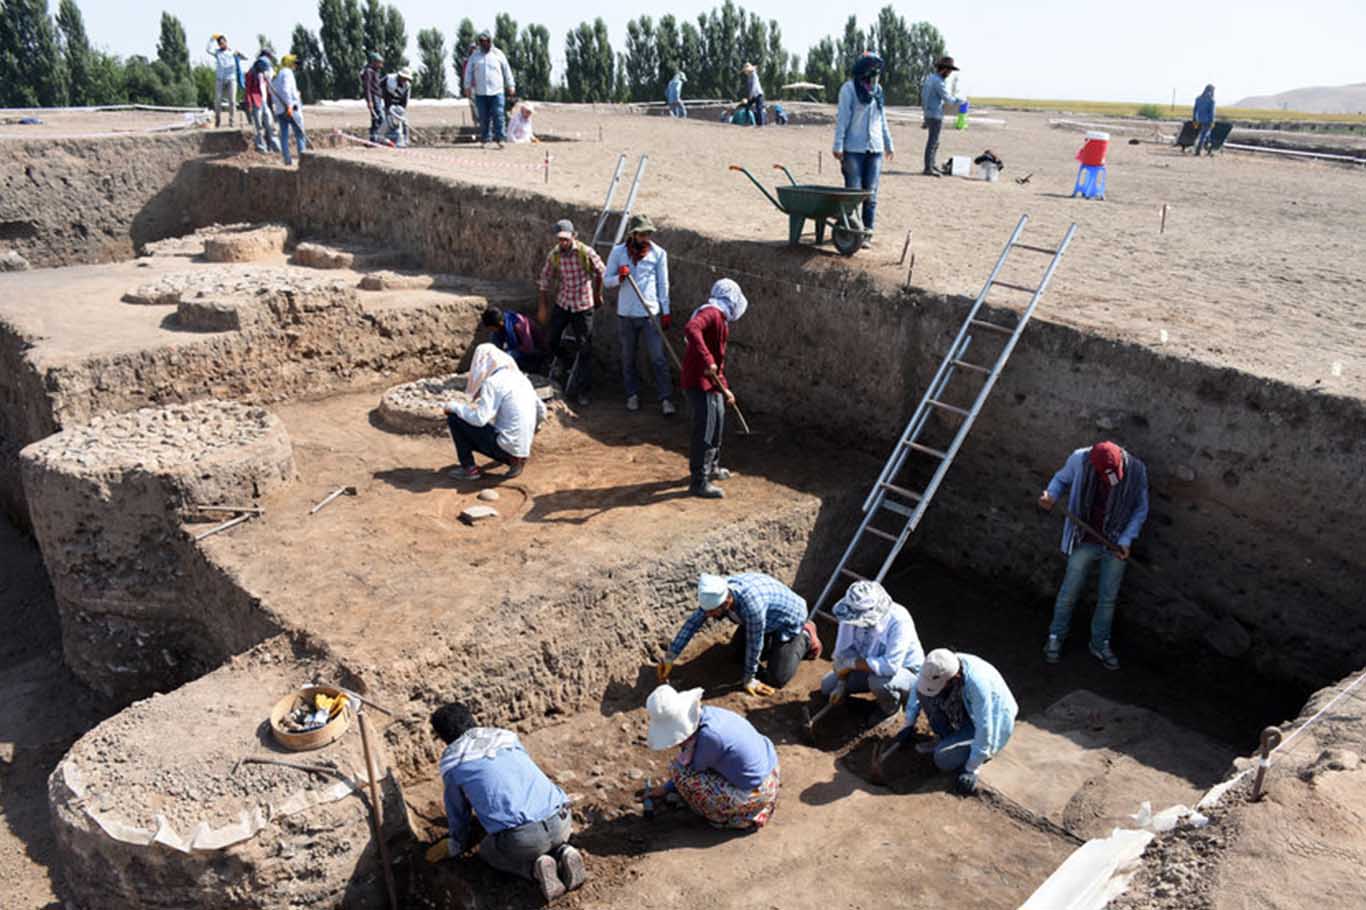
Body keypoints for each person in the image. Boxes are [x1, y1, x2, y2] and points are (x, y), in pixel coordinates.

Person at [425, 704, 586, 902]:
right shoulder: (506, 736)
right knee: (542, 834)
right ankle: (564, 851)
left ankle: (534, 870)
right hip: (562, 820)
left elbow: (458, 812)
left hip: (523, 840)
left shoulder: (452, 761)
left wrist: (455, 845)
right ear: (471, 719)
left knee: (487, 850)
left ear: (443, 737)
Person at [1038, 440, 1150, 670]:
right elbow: (1061, 479)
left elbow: (1141, 508)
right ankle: (1055, 637)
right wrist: (1051, 494)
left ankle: (1100, 643)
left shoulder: (1137, 470)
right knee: (1069, 591)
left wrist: (1126, 540)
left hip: (1116, 543)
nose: (1112, 478)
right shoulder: (1080, 459)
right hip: (1085, 538)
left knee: (1107, 598)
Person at [642, 685, 780, 830]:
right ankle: (744, 809)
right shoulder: (709, 714)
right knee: (686, 768)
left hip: (757, 792)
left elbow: (695, 768)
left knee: (680, 773)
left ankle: (729, 819)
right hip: (770, 771)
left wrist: (668, 787)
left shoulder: (709, 738)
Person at [659, 572, 820, 695]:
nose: (707, 616)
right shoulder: (716, 593)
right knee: (735, 656)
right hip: (764, 619)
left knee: (776, 679)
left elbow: (754, 642)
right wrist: (670, 657)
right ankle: (772, 644)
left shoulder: (752, 606)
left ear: (727, 602)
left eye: (712, 612)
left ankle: (806, 634)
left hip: (788, 623)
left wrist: (749, 679)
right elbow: (692, 623)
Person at [898, 648, 1017, 795]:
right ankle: (948, 739)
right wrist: (908, 724)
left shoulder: (977, 684)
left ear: (952, 679)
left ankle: (961, 748)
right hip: (967, 711)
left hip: (995, 722)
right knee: (927, 695)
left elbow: (985, 728)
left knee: (943, 758)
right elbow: (919, 688)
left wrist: (972, 769)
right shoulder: (940, 665)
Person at [680, 278, 747, 498]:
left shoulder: (721, 318)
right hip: (700, 383)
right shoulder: (711, 313)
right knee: (706, 429)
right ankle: (699, 480)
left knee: (717, 420)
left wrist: (725, 388)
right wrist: (707, 360)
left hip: (711, 382)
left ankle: (713, 466)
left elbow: (718, 361)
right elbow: (692, 328)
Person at [604, 215, 675, 416]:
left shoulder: (658, 254)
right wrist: (621, 277)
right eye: (643, 234)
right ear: (633, 234)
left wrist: (666, 311)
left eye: (648, 234)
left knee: (658, 358)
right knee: (628, 357)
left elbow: (663, 284)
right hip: (626, 314)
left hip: (649, 314)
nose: (646, 238)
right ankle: (632, 394)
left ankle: (666, 398)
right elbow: (606, 280)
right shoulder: (618, 253)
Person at [443, 344, 546, 480]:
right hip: (523, 451)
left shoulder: (492, 382)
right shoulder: (522, 379)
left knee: (455, 418)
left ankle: (469, 469)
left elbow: (480, 419)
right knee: (501, 431)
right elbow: (542, 411)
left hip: (505, 450)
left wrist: (454, 407)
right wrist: (531, 431)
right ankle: (516, 461)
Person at [820, 580, 924, 714]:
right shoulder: (849, 614)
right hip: (867, 666)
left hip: (904, 673)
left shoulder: (898, 620)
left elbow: (890, 666)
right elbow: (844, 653)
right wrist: (841, 683)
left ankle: (890, 709)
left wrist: (851, 664)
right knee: (827, 686)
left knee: (879, 683)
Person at [537, 219, 605, 406]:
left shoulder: (585, 252)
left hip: (583, 304)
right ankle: (565, 360)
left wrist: (598, 294)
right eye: (560, 239)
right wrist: (542, 305)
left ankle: (583, 391)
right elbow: (544, 279)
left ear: (573, 236)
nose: (563, 243)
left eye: (566, 239)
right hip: (564, 302)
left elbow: (601, 271)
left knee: (585, 347)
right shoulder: (555, 255)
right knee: (551, 339)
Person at [833, 52, 894, 247]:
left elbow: (881, 119)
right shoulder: (849, 89)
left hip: (874, 148)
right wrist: (838, 145)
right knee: (853, 192)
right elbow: (843, 118)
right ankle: (851, 230)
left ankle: (867, 232)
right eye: (872, 72)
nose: (875, 78)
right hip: (853, 149)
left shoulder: (878, 90)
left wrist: (888, 142)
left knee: (871, 193)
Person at [463, 30, 515, 148]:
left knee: (498, 114)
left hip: (497, 91)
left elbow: (507, 70)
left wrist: (511, 85)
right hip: (481, 92)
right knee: (483, 116)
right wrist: (467, 86)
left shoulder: (498, 54)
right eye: (482, 42)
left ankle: (500, 138)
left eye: (486, 41)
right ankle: (486, 139)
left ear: (490, 41)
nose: (484, 44)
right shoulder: (474, 56)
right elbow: (468, 72)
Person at [920, 56, 965, 177]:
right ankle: (928, 168)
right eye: (949, 70)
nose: (950, 73)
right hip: (935, 115)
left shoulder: (930, 79)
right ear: (944, 69)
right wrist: (961, 101)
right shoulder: (939, 82)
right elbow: (948, 99)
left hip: (929, 114)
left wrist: (925, 115)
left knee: (935, 141)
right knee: (933, 142)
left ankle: (932, 164)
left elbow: (924, 98)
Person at [481, 306, 543, 373]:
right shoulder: (501, 323)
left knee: (507, 356)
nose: (491, 330)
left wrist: (506, 354)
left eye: (491, 328)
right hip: (518, 348)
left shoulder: (519, 324)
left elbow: (528, 347)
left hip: (534, 351)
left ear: (499, 323)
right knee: (494, 340)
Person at [271, 55, 306, 167]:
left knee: (284, 135)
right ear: (289, 63)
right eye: (294, 63)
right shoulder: (287, 72)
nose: (295, 66)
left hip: (280, 110)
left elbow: (273, 93)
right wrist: (290, 105)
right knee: (300, 134)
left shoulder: (277, 74)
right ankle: (303, 160)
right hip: (291, 109)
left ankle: (287, 160)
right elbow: (286, 90)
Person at [205, 34, 246, 128]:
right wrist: (211, 39)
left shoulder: (232, 52)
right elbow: (207, 50)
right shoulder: (217, 53)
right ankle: (218, 120)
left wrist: (239, 54)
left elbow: (245, 58)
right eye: (220, 43)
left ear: (226, 42)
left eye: (223, 43)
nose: (222, 45)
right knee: (217, 100)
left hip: (231, 79)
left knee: (232, 101)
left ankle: (232, 121)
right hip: (220, 79)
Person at [245, 51, 279, 154]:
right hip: (256, 101)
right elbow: (248, 89)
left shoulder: (265, 73)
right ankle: (261, 147)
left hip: (264, 102)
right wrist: (249, 103)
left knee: (270, 124)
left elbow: (269, 86)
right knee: (258, 126)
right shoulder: (252, 73)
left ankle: (275, 147)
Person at [381, 68, 413, 147]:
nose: (405, 80)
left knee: (403, 122)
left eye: (406, 79)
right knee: (387, 123)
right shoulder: (389, 78)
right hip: (387, 106)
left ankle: (405, 140)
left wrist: (401, 112)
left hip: (398, 107)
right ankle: (384, 139)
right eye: (403, 78)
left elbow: (405, 100)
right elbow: (378, 87)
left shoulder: (407, 86)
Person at [361, 51, 385, 143]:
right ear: (374, 62)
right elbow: (367, 87)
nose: (381, 65)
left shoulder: (375, 72)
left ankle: (376, 139)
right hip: (374, 97)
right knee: (378, 117)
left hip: (377, 97)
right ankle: (374, 139)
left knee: (378, 118)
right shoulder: (368, 72)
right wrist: (369, 101)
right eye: (379, 62)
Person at [1192, 85, 1217, 156]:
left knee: (1207, 135)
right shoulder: (1211, 100)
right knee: (1204, 135)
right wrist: (1212, 121)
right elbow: (1212, 112)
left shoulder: (1198, 98)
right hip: (1208, 120)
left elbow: (1195, 110)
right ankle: (1198, 151)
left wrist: (1194, 119)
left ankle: (1209, 150)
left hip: (1200, 119)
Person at [740, 62, 765, 127]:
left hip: (758, 94)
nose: (745, 72)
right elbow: (749, 87)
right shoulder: (749, 77)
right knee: (747, 107)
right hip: (753, 95)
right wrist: (749, 95)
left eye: (746, 70)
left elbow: (754, 86)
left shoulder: (754, 75)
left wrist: (750, 95)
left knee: (759, 109)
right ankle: (747, 122)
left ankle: (761, 124)